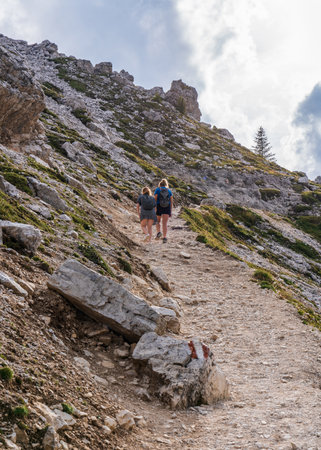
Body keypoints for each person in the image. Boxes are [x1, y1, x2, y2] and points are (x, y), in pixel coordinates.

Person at [154, 179, 173, 243]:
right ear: (166, 184)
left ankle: (159, 232)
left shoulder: (157, 189)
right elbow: (171, 201)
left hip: (159, 206)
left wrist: (155, 207)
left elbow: (155, 198)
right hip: (167, 207)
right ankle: (164, 237)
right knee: (164, 223)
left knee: (158, 221)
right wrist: (170, 210)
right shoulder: (169, 190)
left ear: (160, 184)